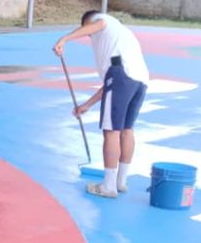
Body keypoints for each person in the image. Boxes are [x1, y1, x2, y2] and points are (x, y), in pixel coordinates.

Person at [53, 10, 150, 199]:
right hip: (140, 80)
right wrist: (87, 105)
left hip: (120, 74)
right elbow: (110, 86)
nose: (89, 36)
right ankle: (120, 181)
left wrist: (65, 39)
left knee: (111, 131)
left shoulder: (103, 21)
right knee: (126, 130)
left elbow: (116, 80)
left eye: (87, 32)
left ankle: (108, 186)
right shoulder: (122, 36)